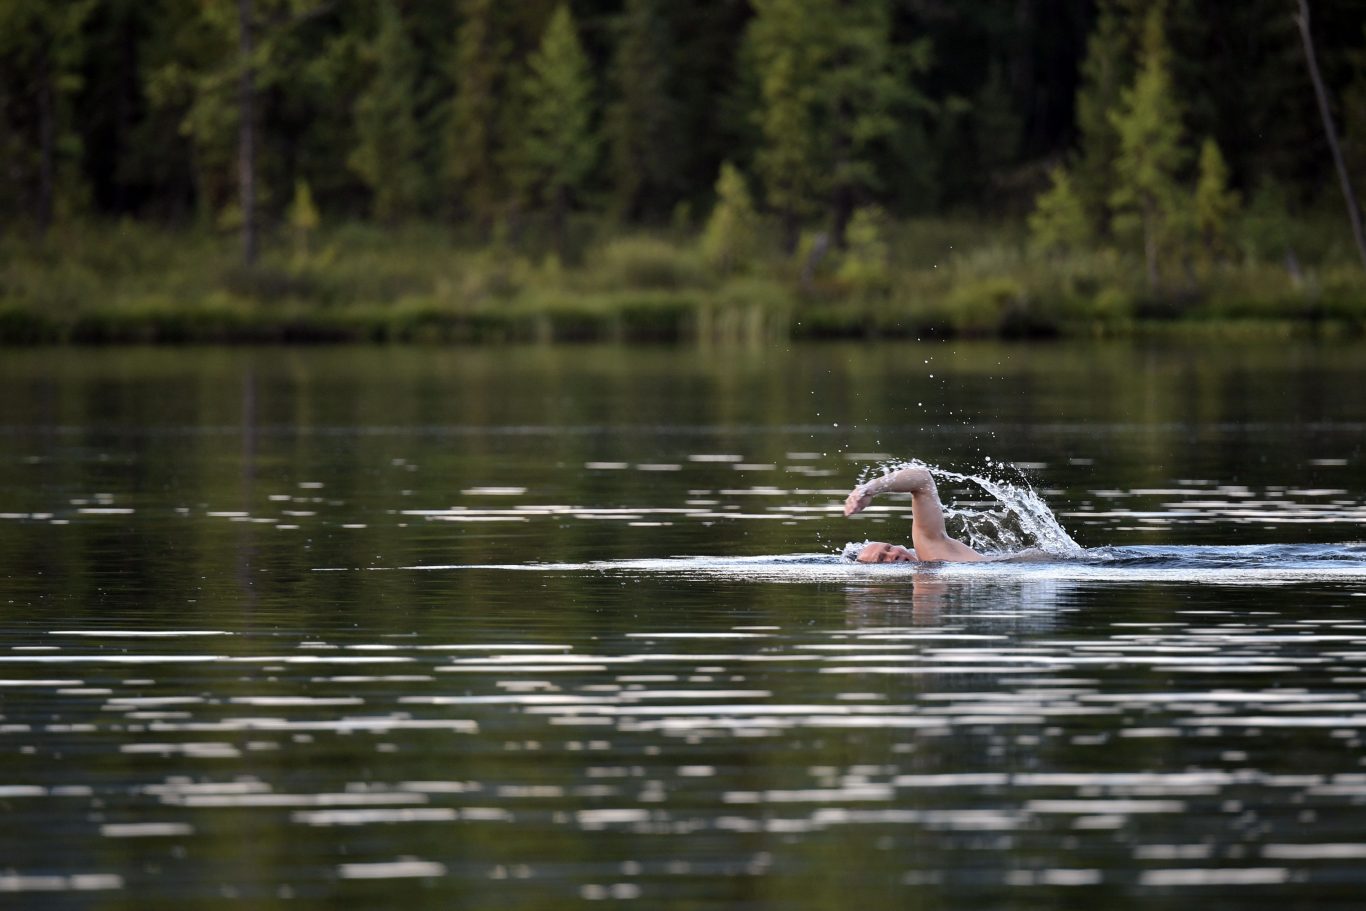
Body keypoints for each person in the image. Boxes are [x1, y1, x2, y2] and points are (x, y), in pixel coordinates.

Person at [843, 464, 984, 563]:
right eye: (881, 559)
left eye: (889, 548)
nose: (894, 554)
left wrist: (869, 488)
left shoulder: (932, 553)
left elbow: (923, 479)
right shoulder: (927, 576)